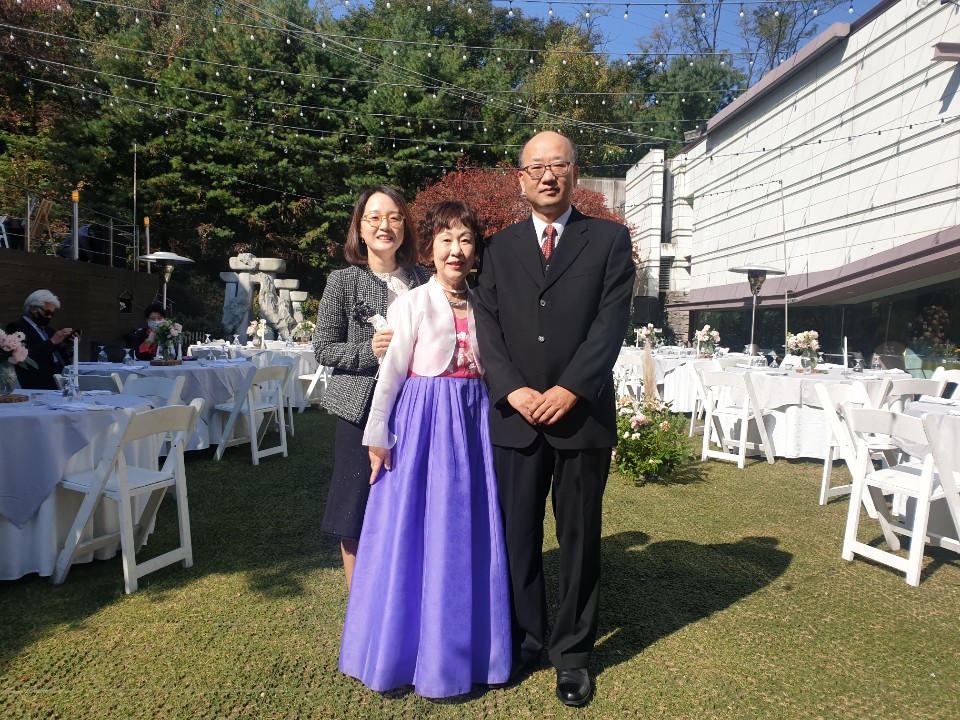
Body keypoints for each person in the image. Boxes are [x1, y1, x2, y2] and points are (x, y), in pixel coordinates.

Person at [474, 131, 634, 707]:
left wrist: (570, 388)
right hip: (516, 419)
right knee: (517, 536)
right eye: (537, 167)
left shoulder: (610, 241)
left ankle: (572, 654)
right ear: (520, 179)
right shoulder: (497, 248)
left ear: (575, 175)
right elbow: (486, 325)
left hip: (580, 418)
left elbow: (610, 324)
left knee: (579, 539)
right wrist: (514, 390)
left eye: (559, 165)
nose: (548, 175)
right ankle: (525, 640)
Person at [338, 200, 511, 698]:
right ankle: (404, 647)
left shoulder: (483, 305)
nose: (456, 251)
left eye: (466, 240)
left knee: (465, 529)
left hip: (472, 424)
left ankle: (468, 649)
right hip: (422, 425)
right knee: (414, 529)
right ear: (430, 248)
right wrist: (377, 437)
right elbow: (390, 375)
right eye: (446, 240)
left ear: (475, 251)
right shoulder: (411, 303)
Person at [313, 185, 429, 590]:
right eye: (374, 218)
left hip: (417, 408)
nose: (385, 226)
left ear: (405, 227)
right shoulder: (343, 281)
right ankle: (360, 608)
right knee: (355, 510)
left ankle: (404, 599)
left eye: (395, 217)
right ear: (359, 229)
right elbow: (323, 347)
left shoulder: (423, 280)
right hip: (359, 412)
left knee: (409, 505)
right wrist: (370, 350)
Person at [6, 289, 79, 390]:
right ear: (33, 309)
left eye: (52, 314)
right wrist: (51, 342)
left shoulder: (48, 330)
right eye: (47, 313)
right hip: (38, 381)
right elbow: (24, 355)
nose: (49, 317)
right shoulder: (16, 327)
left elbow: (57, 355)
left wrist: (70, 348)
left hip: (59, 378)